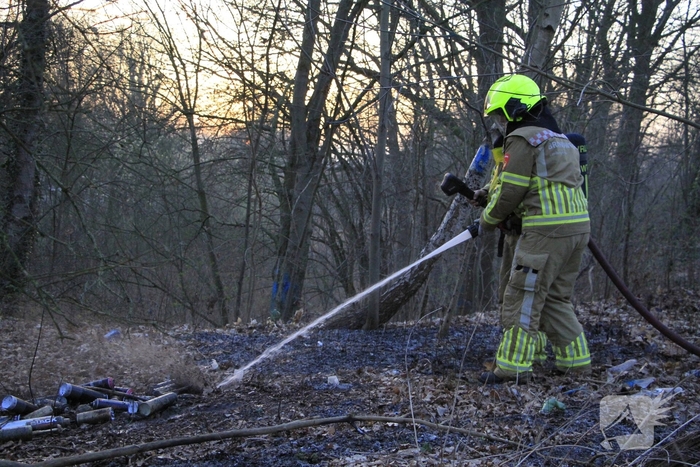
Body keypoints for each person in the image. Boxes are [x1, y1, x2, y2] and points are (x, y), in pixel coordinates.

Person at [476, 74, 591, 384]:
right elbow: (537, 180)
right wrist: (489, 192)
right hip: (577, 229)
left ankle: (511, 367)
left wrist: (486, 221)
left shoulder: (522, 137)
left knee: (522, 295)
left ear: (516, 108)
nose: (500, 123)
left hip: (545, 231)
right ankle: (576, 362)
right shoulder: (558, 139)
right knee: (554, 298)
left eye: (501, 115)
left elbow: (512, 190)